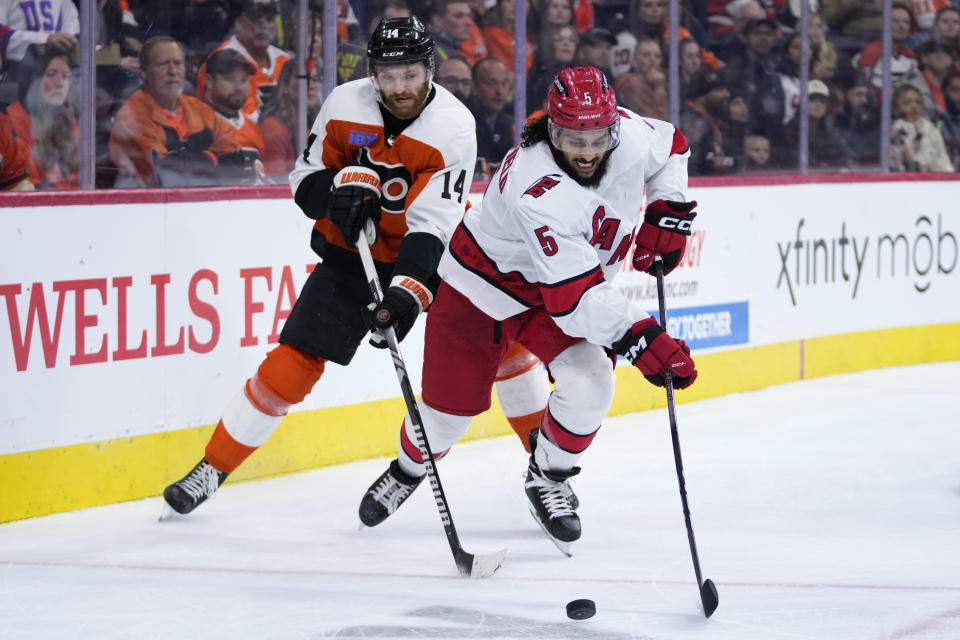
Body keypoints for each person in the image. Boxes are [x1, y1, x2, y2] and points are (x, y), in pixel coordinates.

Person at [162, 15, 551, 516]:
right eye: (388, 76)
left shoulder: (453, 126)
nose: (399, 87)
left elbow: (432, 224)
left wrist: (406, 293)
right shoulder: (344, 104)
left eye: (410, 74)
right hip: (352, 253)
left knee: (507, 346)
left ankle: (544, 473)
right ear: (373, 73)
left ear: (428, 69)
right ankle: (212, 468)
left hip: (437, 254)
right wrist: (336, 192)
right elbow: (304, 181)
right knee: (293, 361)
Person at [357, 66, 698, 552]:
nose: (585, 151)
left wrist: (670, 208)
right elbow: (574, 300)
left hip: (558, 288)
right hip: (483, 288)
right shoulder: (535, 185)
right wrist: (641, 336)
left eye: (597, 137)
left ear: (614, 127)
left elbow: (674, 145)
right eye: (571, 138)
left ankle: (548, 476)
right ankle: (408, 469)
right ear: (551, 128)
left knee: (592, 381)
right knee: (444, 420)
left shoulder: (633, 140)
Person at [109, 36, 240, 188]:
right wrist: (210, 156)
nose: (173, 71)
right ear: (144, 72)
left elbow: (233, 152)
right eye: (163, 64)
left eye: (178, 63)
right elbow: (165, 170)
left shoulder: (198, 108)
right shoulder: (132, 114)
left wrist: (190, 157)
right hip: (148, 203)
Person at [195, 0, 292, 124]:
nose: (263, 26)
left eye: (269, 19)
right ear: (238, 22)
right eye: (255, 18)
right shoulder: (219, 61)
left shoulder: (285, 60)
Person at [7, 45, 78, 189]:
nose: (60, 84)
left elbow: (80, 180)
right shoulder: (12, 121)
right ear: (32, 79)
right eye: (51, 74)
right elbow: (29, 187)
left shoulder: (69, 120)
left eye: (66, 76)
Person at [201, 48, 267, 185]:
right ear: (209, 81)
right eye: (230, 79)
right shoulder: (194, 122)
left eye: (243, 80)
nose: (239, 87)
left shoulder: (252, 126)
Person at [259, 58, 321, 182]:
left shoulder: (318, 121)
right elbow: (275, 182)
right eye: (306, 79)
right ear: (286, 87)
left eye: (315, 79)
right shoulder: (273, 127)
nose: (312, 86)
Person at [890, 82, 953, 172]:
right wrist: (902, 152)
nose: (914, 107)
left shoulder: (932, 131)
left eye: (918, 102)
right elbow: (890, 163)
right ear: (896, 106)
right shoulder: (892, 132)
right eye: (907, 103)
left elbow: (943, 162)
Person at [467, 57, 515, 165]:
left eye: (504, 83)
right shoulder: (465, 123)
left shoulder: (511, 123)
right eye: (492, 83)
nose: (500, 91)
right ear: (474, 87)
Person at [0, 0, 78, 64]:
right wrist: (45, 39)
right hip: (13, 72)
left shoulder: (66, 4)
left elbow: (75, 41)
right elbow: (2, 35)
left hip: (54, 71)